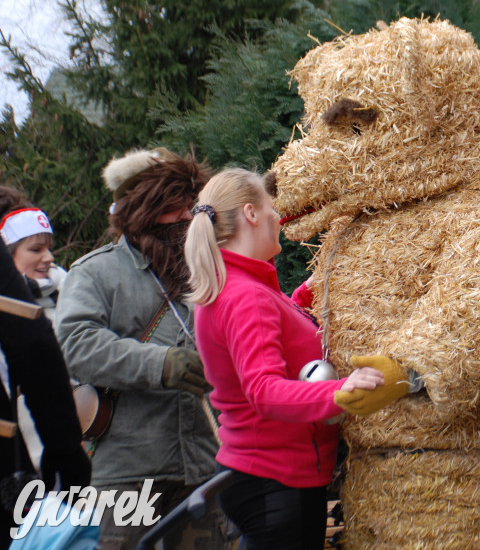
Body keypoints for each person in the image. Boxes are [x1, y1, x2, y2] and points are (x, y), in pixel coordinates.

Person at [184, 168, 408, 550]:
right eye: (271, 208)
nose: (278, 218)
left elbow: (277, 324)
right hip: (277, 481)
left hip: (265, 477)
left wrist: (316, 286)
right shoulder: (246, 297)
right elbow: (264, 390)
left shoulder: (242, 287)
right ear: (251, 214)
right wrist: (340, 391)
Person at [55, 148, 228, 550]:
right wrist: (160, 363)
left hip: (203, 467)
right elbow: (76, 344)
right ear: (140, 210)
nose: (187, 217)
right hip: (127, 475)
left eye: (191, 206)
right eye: (172, 207)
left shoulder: (206, 273)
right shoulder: (94, 272)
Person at [0, 235, 90, 548]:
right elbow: (34, 345)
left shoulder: (69, 289)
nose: (48, 258)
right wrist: (66, 449)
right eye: (35, 250)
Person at [0, 191, 65, 327]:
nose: (49, 257)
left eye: (49, 249)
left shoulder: (71, 293)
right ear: (6, 255)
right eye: (36, 249)